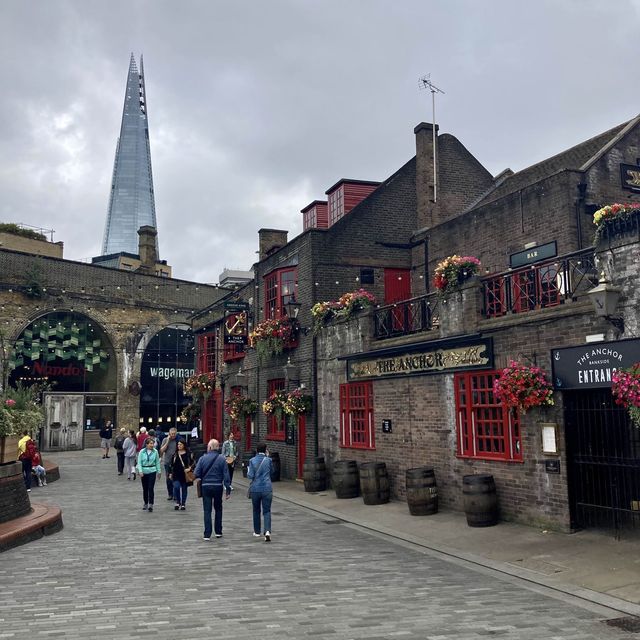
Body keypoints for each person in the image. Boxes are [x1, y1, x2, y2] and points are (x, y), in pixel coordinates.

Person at [193, 438, 231, 540]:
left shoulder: (202, 459)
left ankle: (207, 534)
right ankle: (218, 531)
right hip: (218, 486)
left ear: (209, 447)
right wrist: (228, 490)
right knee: (218, 509)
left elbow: (196, 473)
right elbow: (226, 476)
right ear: (218, 448)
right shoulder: (222, 459)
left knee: (207, 510)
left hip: (206, 486)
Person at [247, 442, 274, 542]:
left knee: (256, 510)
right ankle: (267, 531)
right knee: (267, 511)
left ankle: (257, 531)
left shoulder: (252, 460)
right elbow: (272, 472)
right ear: (266, 450)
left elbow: (250, 475)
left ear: (257, 450)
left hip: (255, 489)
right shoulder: (269, 460)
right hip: (267, 488)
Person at [136, 437, 161, 511]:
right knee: (145, 488)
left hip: (152, 470)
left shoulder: (155, 451)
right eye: (150, 443)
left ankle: (151, 504)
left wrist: (159, 471)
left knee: (151, 488)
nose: (152, 445)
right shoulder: (142, 452)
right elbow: (139, 462)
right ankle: (145, 502)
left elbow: (157, 462)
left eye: (153, 443)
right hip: (144, 471)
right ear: (146, 444)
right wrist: (140, 471)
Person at [169, 439, 194, 510]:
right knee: (176, 487)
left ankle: (183, 503)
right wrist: (170, 473)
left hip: (185, 474)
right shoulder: (175, 454)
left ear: (184, 445)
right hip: (176, 473)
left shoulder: (188, 454)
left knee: (184, 489)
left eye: (181, 444)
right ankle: (178, 501)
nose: (179, 446)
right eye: (178, 444)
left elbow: (193, 463)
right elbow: (171, 465)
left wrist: (190, 468)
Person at [160, 427, 180, 502]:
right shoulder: (165, 440)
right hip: (167, 462)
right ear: (169, 434)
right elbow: (162, 450)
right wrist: (168, 441)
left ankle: (175, 494)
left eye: (174, 434)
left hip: (176, 462)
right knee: (168, 479)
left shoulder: (178, 440)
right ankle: (170, 494)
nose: (173, 435)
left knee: (175, 478)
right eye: (172, 434)